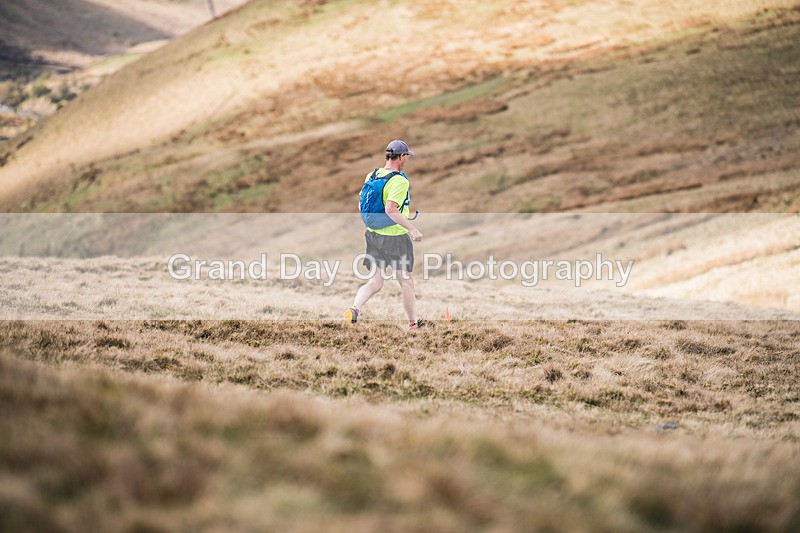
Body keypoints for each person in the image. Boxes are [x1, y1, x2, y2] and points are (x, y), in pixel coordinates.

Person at [345, 139, 424, 328]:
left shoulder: (372, 175)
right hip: (395, 238)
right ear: (402, 157)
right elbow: (391, 209)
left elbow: (361, 203)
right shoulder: (399, 181)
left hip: (373, 235)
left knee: (375, 282)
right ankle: (413, 324)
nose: (407, 160)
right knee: (406, 282)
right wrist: (412, 230)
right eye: (406, 156)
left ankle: (354, 309)